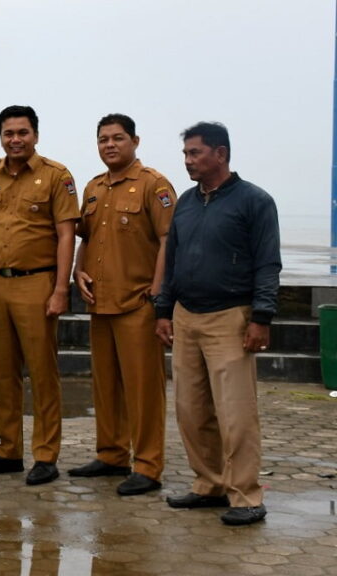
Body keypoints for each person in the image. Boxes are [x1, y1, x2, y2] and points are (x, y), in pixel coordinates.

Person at [155, 121, 281, 526]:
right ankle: (208, 484)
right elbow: (171, 261)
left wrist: (261, 317)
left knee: (236, 413)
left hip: (232, 317)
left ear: (220, 153)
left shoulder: (255, 201)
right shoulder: (187, 203)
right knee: (191, 410)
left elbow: (267, 264)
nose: (188, 161)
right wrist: (163, 310)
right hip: (186, 316)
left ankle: (245, 495)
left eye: (195, 153)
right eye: (186, 154)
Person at [0, 105, 80, 485]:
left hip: (37, 284)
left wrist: (62, 289)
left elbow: (66, 236)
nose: (16, 139)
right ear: (1, 136)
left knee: (43, 372)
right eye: (9, 133)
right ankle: (8, 450)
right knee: (3, 371)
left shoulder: (57, 177)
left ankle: (46, 455)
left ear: (36, 135)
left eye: (23, 132)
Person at [68, 114, 175, 496]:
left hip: (138, 303)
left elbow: (168, 240)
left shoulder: (154, 185)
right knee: (106, 386)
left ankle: (147, 465)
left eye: (117, 138)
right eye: (102, 139)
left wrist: (159, 292)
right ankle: (111, 454)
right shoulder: (94, 188)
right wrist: (77, 272)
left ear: (135, 141)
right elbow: (86, 237)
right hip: (100, 303)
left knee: (144, 391)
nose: (109, 145)